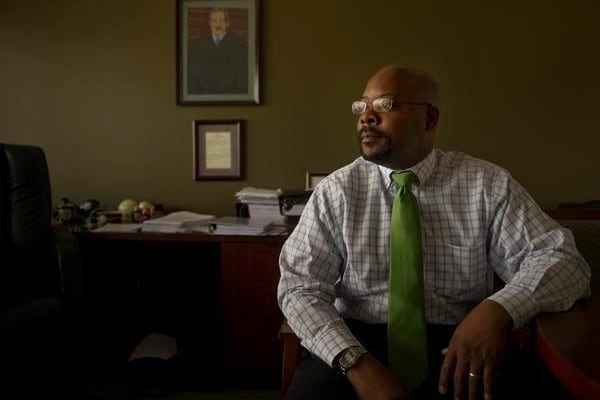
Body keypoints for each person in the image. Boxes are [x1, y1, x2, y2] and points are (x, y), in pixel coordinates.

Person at [277, 65, 591, 400]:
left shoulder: (486, 185)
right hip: (353, 345)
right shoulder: (335, 192)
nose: (367, 116)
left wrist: (499, 309)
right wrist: (357, 365)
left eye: (384, 105)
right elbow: (299, 288)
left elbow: (564, 262)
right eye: (362, 107)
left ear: (429, 119)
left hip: (462, 344)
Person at [187, 8, 248, 94]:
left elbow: (243, 78)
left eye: (222, 21)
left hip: (231, 97)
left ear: (227, 24)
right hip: (203, 97)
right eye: (214, 21)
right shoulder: (197, 46)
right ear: (209, 23)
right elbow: (193, 77)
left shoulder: (240, 45)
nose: (218, 24)